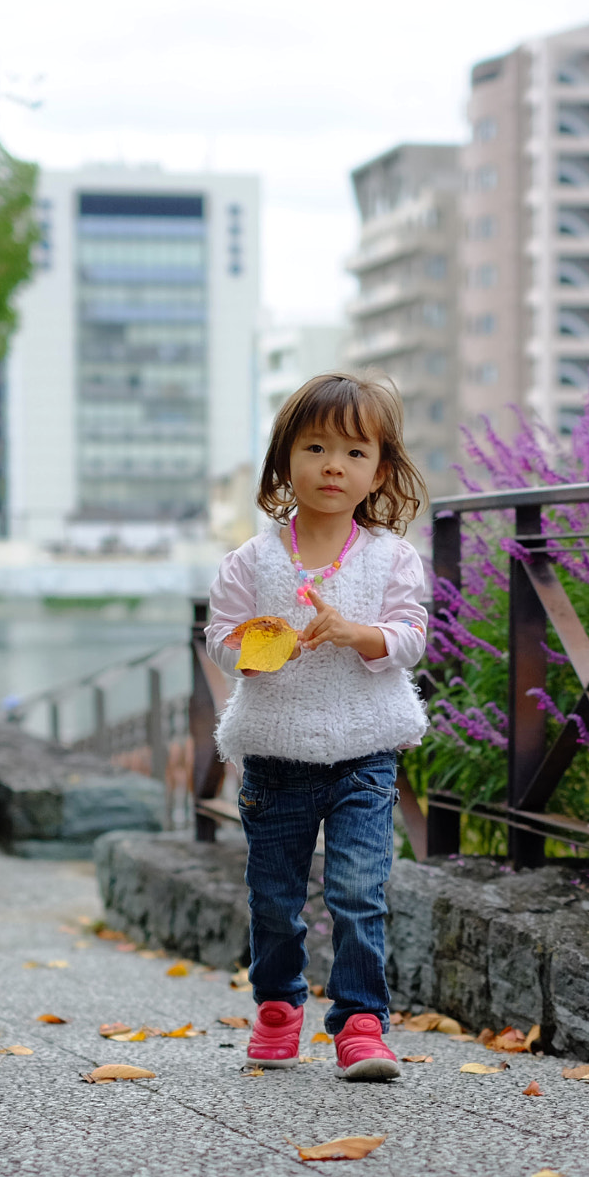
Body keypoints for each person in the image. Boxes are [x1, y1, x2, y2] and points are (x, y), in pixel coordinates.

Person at [205, 371, 430, 1082]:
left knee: (359, 891)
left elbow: (411, 637)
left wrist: (359, 633)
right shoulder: (252, 560)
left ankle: (361, 1023)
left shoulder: (392, 557)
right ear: (284, 462)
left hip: (366, 752)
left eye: (355, 453)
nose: (334, 465)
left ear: (380, 471)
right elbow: (219, 635)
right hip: (275, 755)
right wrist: (252, 650)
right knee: (275, 897)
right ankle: (277, 1004)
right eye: (315, 447)